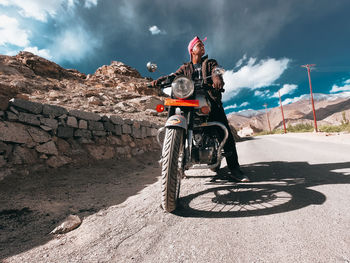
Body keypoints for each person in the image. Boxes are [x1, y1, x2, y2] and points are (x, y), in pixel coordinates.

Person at [151, 36, 249, 182]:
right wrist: (161, 80)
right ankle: (171, 151)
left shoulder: (209, 63)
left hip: (208, 99)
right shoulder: (185, 68)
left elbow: (216, 70)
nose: (202, 46)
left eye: (202, 45)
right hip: (189, 99)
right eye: (199, 45)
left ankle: (235, 169)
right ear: (191, 50)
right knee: (174, 101)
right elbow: (174, 76)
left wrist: (217, 78)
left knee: (225, 130)